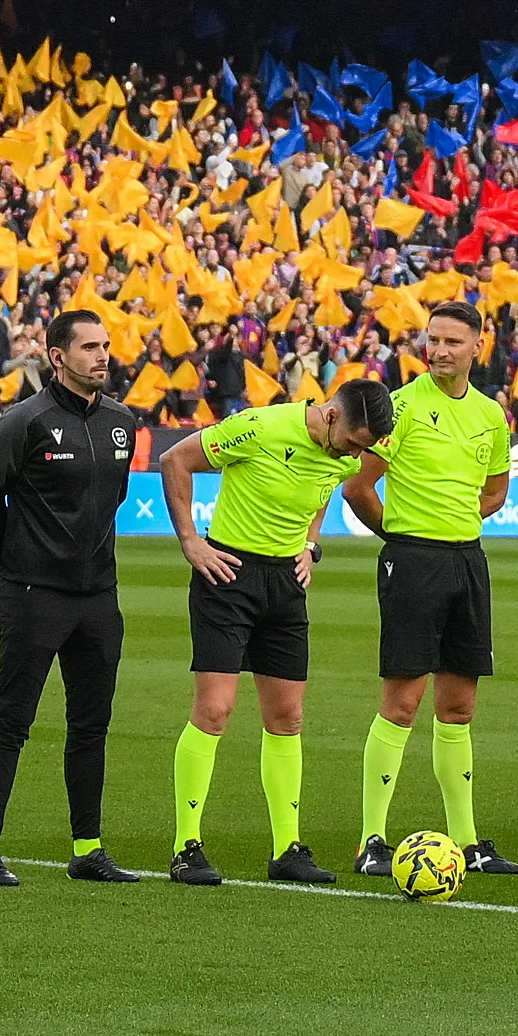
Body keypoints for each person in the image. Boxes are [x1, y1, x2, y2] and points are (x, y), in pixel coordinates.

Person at [156, 379, 392, 884]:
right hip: (227, 576)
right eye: (354, 441)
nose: (357, 454)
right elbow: (175, 460)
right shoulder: (260, 427)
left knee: (287, 716)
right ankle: (186, 846)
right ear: (331, 414)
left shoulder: (346, 454)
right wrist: (190, 542)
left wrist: (310, 544)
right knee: (215, 710)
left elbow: (325, 489)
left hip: (285, 585)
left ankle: (287, 849)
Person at [0, 305, 139, 885]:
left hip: (98, 599)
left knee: (92, 725)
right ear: (58, 357)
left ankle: (88, 848)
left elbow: (112, 500)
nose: (102, 356)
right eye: (90, 347)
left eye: (105, 345)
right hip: (35, 595)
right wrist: (12, 566)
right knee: (12, 720)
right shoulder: (25, 421)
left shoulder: (121, 421)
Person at [353, 302, 518, 877]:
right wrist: (400, 534)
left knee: (459, 705)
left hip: (467, 563)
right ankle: (371, 839)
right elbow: (358, 487)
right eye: (433, 340)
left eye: (452, 341)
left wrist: (455, 516)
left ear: (478, 346)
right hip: (413, 561)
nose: (440, 350)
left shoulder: (490, 415)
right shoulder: (400, 407)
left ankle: (467, 841)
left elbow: (496, 491)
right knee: (402, 702)